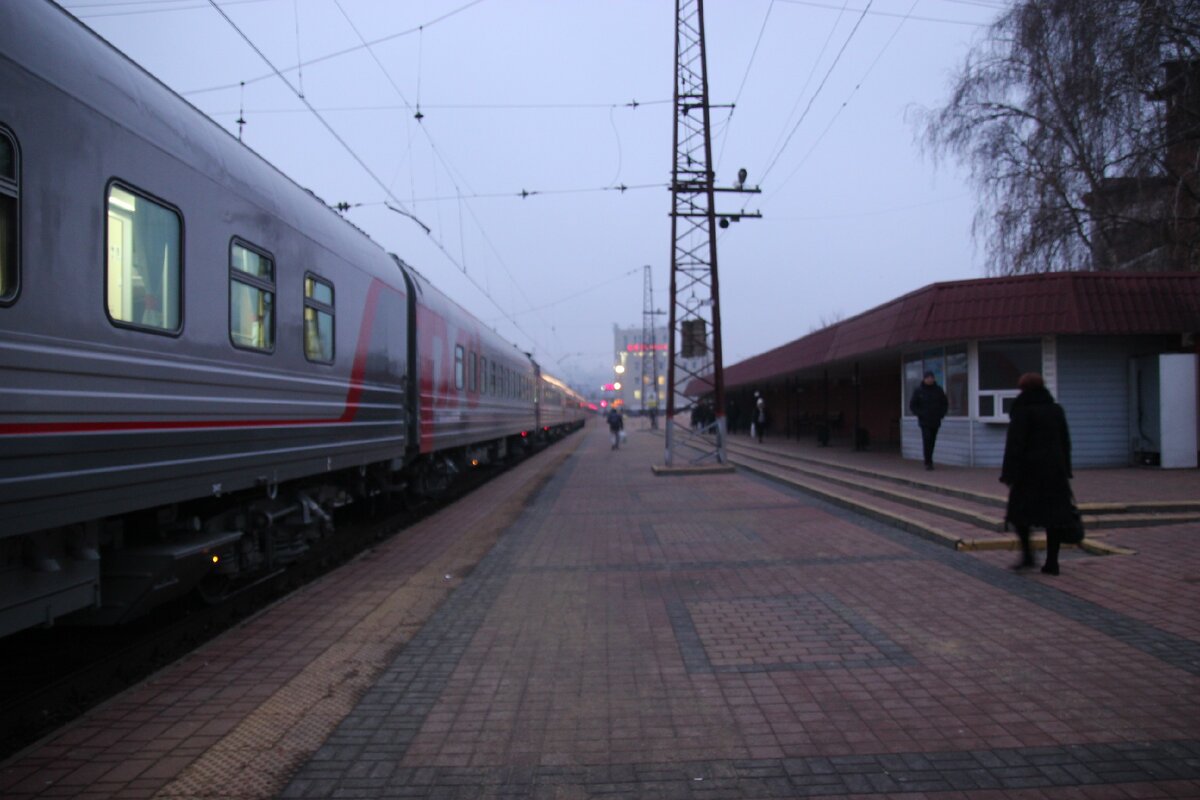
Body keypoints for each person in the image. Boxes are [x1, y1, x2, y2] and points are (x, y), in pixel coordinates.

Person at [1001, 373, 1074, 575]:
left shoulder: (1022, 411)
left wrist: (1008, 473)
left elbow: (1015, 445)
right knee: (1055, 518)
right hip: (1054, 473)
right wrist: (1066, 469)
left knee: (1019, 515)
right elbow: (1065, 442)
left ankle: (1028, 556)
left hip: (1028, 474)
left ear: (1022, 388)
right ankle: (1052, 562)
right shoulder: (1055, 410)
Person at [909, 371, 948, 469]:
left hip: (935, 420)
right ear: (924, 379)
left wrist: (941, 414)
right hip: (924, 421)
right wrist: (920, 414)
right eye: (928, 378)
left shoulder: (938, 390)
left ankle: (930, 458)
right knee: (927, 439)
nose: (930, 379)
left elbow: (944, 403)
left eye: (931, 377)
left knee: (932, 441)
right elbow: (913, 405)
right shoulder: (919, 391)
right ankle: (928, 462)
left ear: (934, 379)